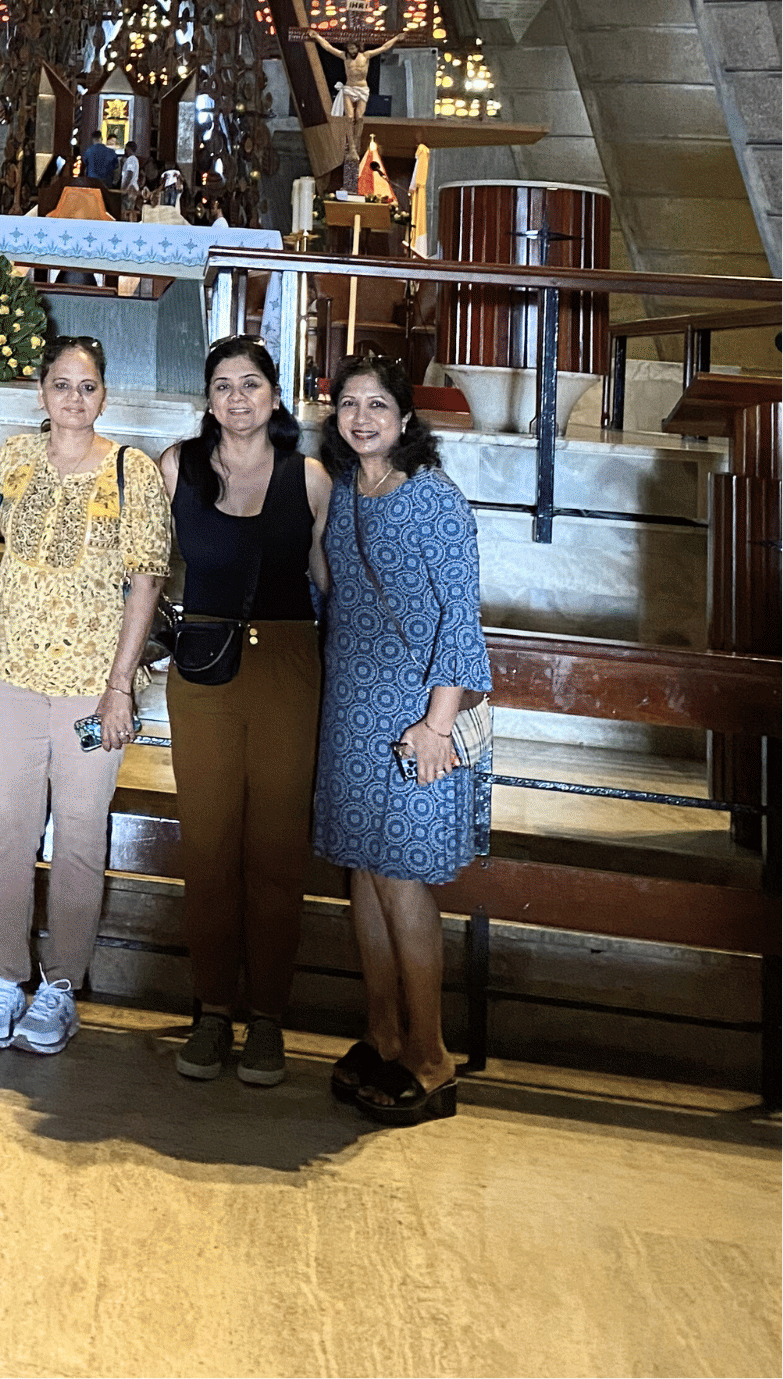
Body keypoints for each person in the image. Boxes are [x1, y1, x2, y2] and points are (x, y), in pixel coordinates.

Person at [0, 335, 170, 1054]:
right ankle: (4, 977)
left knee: (81, 833)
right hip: (11, 672)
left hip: (91, 688)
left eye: (87, 387)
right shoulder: (16, 459)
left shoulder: (131, 471)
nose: (74, 399)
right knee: (10, 829)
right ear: (41, 389)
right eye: (61, 385)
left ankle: (59, 986)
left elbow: (146, 581)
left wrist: (120, 687)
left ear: (104, 394)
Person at [314, 350, 492, 1125]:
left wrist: (438, 724)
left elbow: (462, 619)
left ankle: (431, 1055)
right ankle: (383, 1032)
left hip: (417, 714)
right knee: (364, 870)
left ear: (406, 418)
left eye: (376, 405)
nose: (362, 418)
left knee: (402, 878)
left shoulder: (435, 500)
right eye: (350, 404)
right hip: (354, 706)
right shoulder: (352, 486)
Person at [157, 336, 331, 1086]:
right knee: (208, 843)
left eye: (251, 384)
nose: (237, 398)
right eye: (223, 386)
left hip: (289, 666)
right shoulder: (177, 468)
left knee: (276, 848)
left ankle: (268, 1018)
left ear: (275, 396)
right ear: (207, 399)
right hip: (203, 668)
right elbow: (148, 571)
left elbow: (333, 581)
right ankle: (212, 1009)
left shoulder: (313, 478)